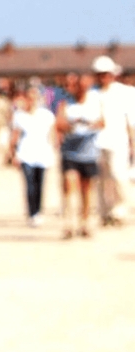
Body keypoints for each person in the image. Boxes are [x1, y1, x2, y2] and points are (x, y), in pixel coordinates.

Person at [57, 73, 102, 239]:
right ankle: (69, 223)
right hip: (70, 152)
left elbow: (102, 122)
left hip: (89, 153)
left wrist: (89, 123)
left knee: (86, 190)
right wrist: (71, 125)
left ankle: (85, 222)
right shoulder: (65, 104)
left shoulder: (94, 102)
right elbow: (59, 124)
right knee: (70, 185)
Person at [91, 55, 135, 226]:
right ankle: (104, 212)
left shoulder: (125, 92)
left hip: (118, 142)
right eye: (99, 74)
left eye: (105, 73)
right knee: (100, 180)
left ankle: (120, 210)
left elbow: (131, 121)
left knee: (118, 176)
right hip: (97, 143)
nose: (103, 77)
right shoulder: (92, 94)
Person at [12, 86, 56, 226]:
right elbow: (15, 137)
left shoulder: (47, 115)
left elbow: (52, 136)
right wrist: (13, 154)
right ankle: (32, 212)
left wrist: (53, 151)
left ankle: (38, 211)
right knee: (30, 185)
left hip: (42, 154)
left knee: (40, 184)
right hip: (25, 154)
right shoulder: (19, 116)